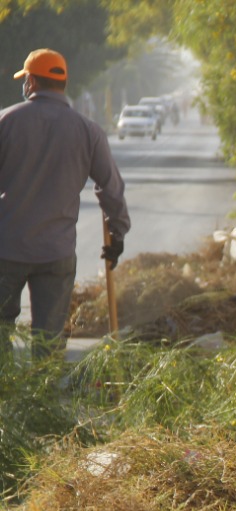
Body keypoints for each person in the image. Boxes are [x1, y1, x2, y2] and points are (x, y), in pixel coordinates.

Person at [0, 48, 129, 359]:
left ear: (30, 82)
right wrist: (118, 233)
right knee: (48, 339)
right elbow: (111, 188)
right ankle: (41, 403)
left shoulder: (6, 121)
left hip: (6, 251)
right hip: (55, 253)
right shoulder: (88, 131)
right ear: (63, 84)